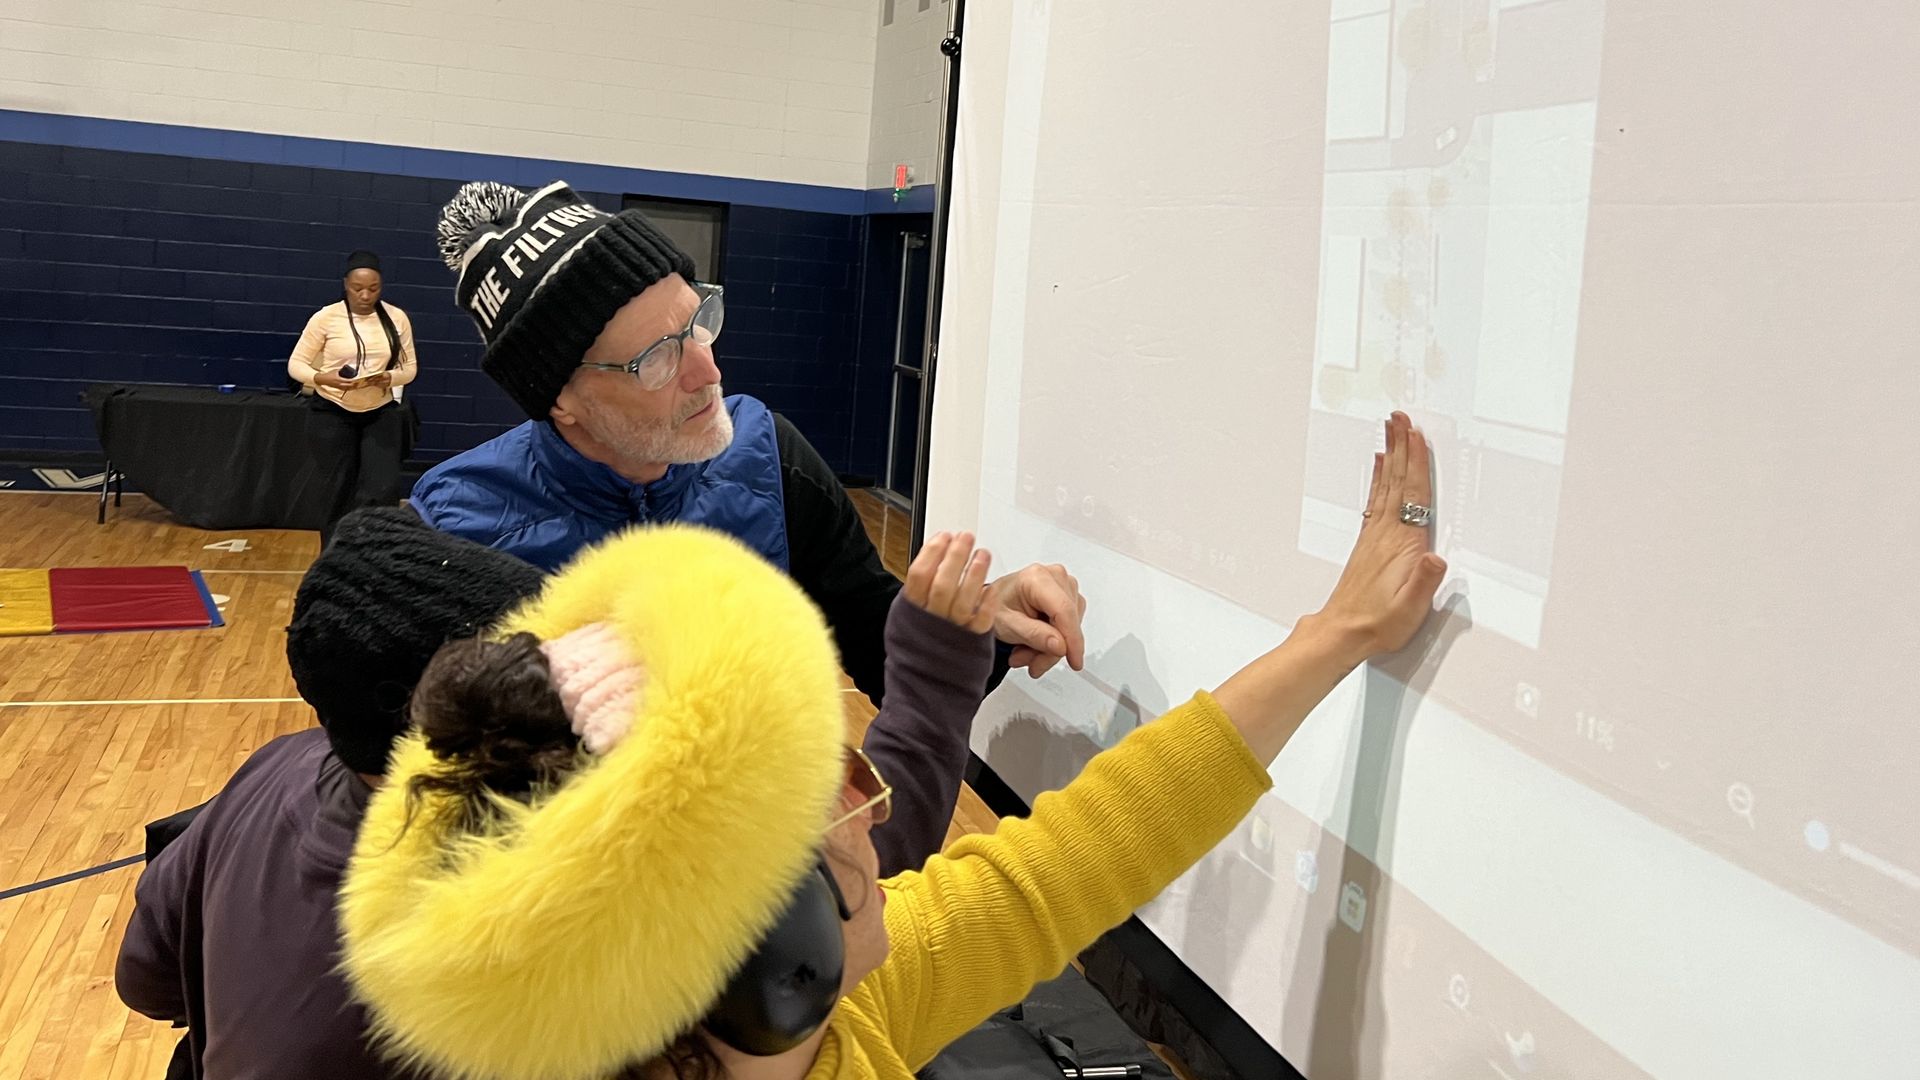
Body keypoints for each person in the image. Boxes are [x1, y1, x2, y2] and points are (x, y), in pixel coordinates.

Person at [337, 414, 1448, 1080]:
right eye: (829, 809)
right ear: (771, 951)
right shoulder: (831, 1020)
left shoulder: (833, 1022)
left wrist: (1334, 635)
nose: (873, 814)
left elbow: (1075, 857)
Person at [115, 504, 998, 1078]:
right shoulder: (518, 959)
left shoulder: (276, 769)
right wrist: (936, 659)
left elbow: (144, 979)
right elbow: (840, 896)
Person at [409, 180, 1086, 703]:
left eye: (698, 321)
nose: (708, 370)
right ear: (562, 400)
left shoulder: (768, 454)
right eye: (656, 359)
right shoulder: (456, 524)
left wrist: (974, 622)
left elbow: (882, 650)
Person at [287, 250, 418, 543]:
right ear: (346, 284)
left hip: (379, 409)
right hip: (332, 409)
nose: (365, 295)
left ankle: (379, 553)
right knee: (337, 489)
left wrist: (389, 377)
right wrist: (321, 377)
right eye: (358, 288)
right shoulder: (326, 317)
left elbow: (409, 368)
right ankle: (335, 556)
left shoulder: (396, 318)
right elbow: (296, 365)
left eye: (373, 288)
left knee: (382, 487)